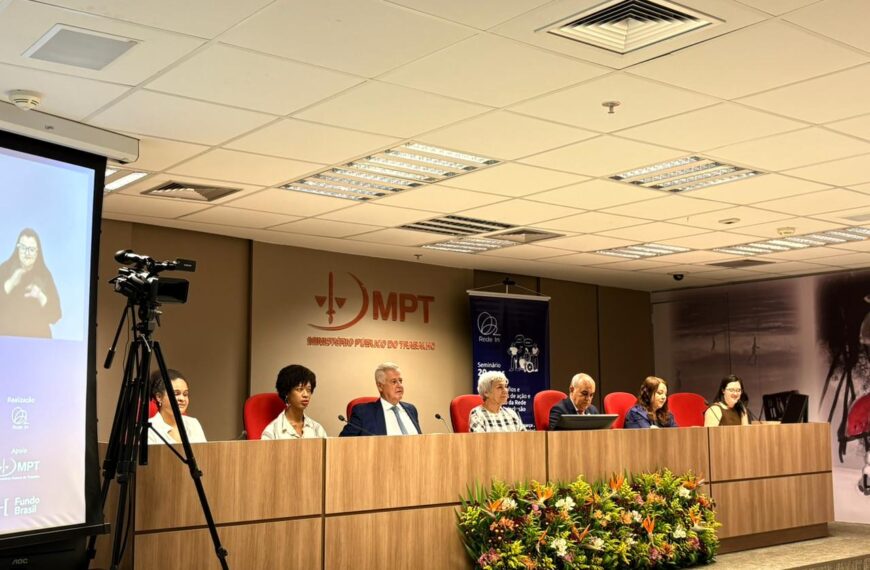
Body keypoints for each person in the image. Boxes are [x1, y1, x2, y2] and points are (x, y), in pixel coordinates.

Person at [0, 228, 61, 338]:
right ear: (17, 248)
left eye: (31, 249)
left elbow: (56, 315)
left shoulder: (45, 276)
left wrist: (40, 296)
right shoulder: (4, 270)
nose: (27, 253)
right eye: (23, 248)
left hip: (37, 346)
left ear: (38, 252)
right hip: (6, 345)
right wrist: (10, 283)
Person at [339, 362, 421, 436]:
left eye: (400, 381)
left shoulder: (411, 409)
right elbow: (343, 443)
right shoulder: (363, 413)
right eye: (394, 381)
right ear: (380, 386)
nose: (400, 385)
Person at [261, 364, 327, 439]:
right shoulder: (272, 432)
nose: (306, 395)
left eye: (308, 390)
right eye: (299, 389)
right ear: (287, 392)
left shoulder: (317, 429)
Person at [148, 368, 207, 445]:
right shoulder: (149, 428)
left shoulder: (193, 424)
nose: (182, 399)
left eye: (185, 394)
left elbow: (204, 454)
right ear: (159, 397)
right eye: (176, 394)